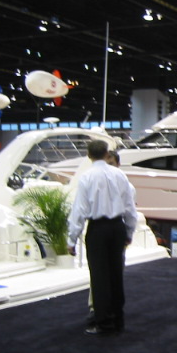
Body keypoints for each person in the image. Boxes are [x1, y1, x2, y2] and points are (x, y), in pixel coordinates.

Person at [68, 140, 137, 335]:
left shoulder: (87, 177)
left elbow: (79, 210)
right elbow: (130, 208)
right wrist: (129, 232)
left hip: (97, 229)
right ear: (107, 154)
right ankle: (118, 320)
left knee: (99, 277)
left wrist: (72, 239)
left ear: (89, 155)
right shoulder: (120, 175)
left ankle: (104, 323)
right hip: (117, 227)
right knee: (116, 274)